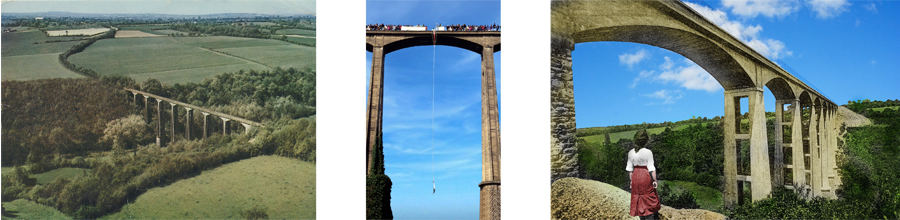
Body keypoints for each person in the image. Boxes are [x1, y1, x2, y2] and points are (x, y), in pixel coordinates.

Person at [626, 129, 661, 220]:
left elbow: (630, 170)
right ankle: (652, 217)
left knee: (639, 198)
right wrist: (654, 180)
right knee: (649, 197)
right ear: (645, 141)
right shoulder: (648, 152)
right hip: (645, 176)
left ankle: (642, 217)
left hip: (635, 176)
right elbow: (652, 168)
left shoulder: (631, 152)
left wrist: (631, 181)